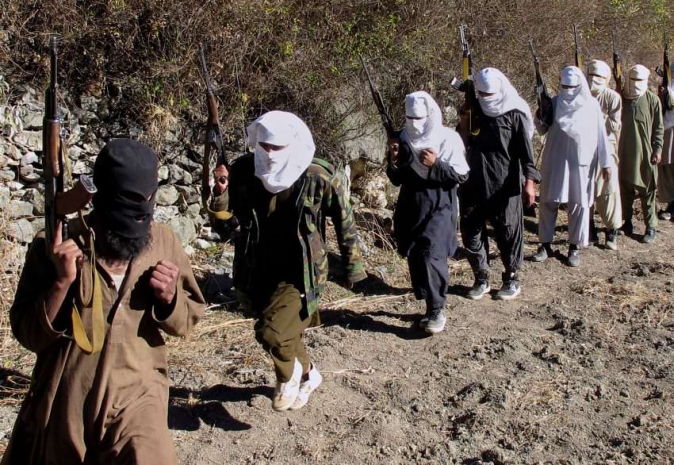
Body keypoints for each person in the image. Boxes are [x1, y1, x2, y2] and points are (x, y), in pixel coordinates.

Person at [2, 139, 205, 465]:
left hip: (138, 395)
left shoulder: (163, 242)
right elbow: (28, 335)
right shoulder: (56, 244)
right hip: (68, 398)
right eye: (130, 200)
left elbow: (189, 318)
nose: (141, 211)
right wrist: (61, 283)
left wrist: (170, 298)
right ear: (100, 195)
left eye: (148, 200)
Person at [209, 111, 367, 412]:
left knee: (272, 332)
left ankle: (288, 376)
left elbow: (345, 220)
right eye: (264, 146)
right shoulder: (243, 170)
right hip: (256, 268)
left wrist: (352, 268)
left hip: (300, 272)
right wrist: (221, 193)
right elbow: (224, 226)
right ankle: (308, 374)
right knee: (277, 328)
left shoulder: (317, 176)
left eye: (277, 147)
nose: (269, 153)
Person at [385, 91, 469, 333]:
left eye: (419, 118)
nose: (415, 124)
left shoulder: (448, 139)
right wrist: (393, 158)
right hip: (410, 206)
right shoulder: (403, 137)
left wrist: (436, 165)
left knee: (433, 256)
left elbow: (461, 175)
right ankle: (427, 302)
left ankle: (436, 310)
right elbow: (396, 179)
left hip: (439, 206)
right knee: (415, 254)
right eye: (410, 118)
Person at [459, 68, 539, 301]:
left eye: (489, 94)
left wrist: (530, 183)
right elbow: (462, 142)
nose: (486, 99)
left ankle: (511, 277)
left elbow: (526, 153)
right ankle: (481, 276)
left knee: (508, 231)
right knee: (471, 229)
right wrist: (464, 121)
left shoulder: (514, 114)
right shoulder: (474, 110)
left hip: (504, 182)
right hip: (473, 180)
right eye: (482, 94)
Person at [532, 66, 613, 267]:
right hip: (555, 159)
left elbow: (601, 135)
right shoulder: (554, 103)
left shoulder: (591, 105)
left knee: (578, 203)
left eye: (571, 87)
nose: (568, 90)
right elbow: (541, 129)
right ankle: (545, 244)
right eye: (564, 86)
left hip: (581, 161)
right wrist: (540, 112)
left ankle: (574, 246)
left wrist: (606, 163)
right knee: (548, 202)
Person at [618, 65, 664, 243]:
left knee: (648, 190)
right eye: (634, 80)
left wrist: (657, 149)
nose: (636, 84)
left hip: (646, 153)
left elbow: (658, 128)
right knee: (625, 189)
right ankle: (626, 221)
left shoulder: (652, 100)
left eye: (640, 80)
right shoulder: (621, 98)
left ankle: (651, 226)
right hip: (623, 152)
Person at [586, 59, 623, 250]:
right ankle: (589, 227)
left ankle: (611, 231)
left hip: (607, 149)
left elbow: (614, 126)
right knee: (586, 191)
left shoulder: (612, 97)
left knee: (609, 190)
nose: (594, 80)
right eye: (591, 75)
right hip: (585, 150)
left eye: (599, 76)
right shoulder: (581, 95)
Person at [657, 60, 674, 220]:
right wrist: (662, 95)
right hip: (668, 126)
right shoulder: (671, 69)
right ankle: (671, 204)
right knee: (667, 165)